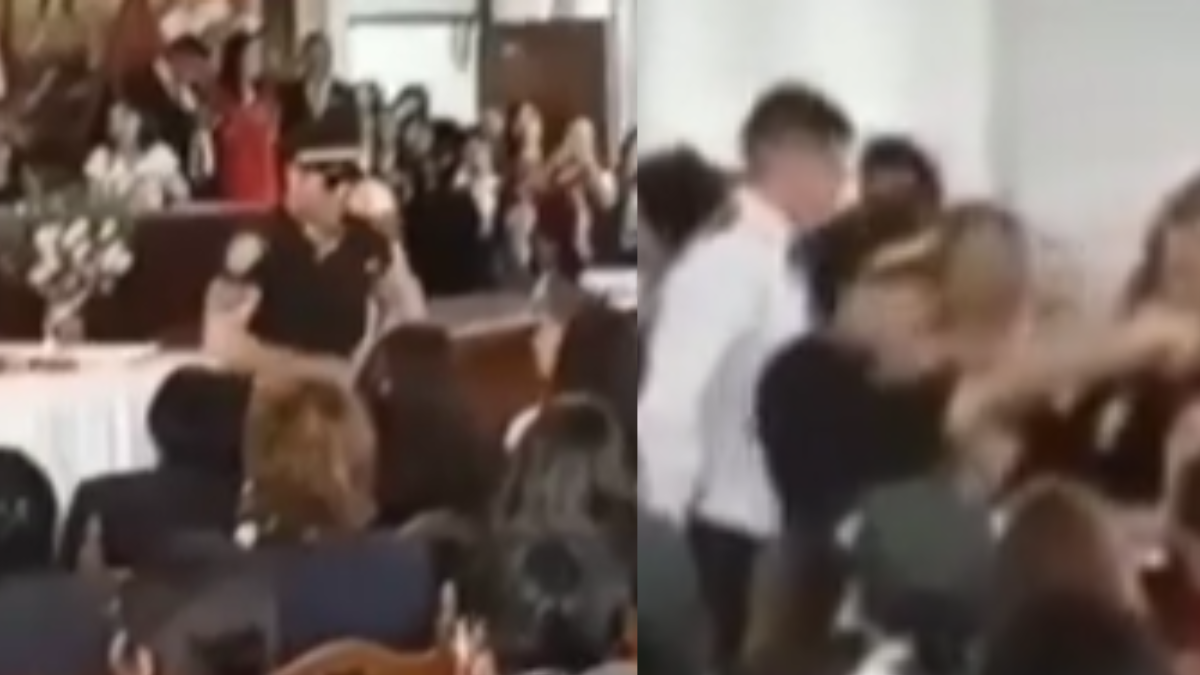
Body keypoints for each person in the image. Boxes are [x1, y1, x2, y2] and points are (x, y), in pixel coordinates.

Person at [638, 82, 854, 664]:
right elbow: (669, 403)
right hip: (724, 531)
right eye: (832, 164)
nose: (842, 183)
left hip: (774, 528)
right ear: (783, 156)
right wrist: (667, 535)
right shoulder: (727, 262)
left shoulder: (788, 261)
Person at [201, 131, 425, 383]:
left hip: (346, 386)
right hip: (274, 390)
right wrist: (313, 370)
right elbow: (222, 342)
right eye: (332, 182)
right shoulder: (258, 245)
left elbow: (409, 313)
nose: (345, 194)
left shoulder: (368, 241)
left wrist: (375, 360)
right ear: (295, 177)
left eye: (352, 182)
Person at [214, 31, 279, 206]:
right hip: (234, 191)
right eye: (251, 54)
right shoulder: (220, 99)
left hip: (267, 190)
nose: (257, 60)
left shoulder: (268, 99)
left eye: (259, 54)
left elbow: (274, 141)